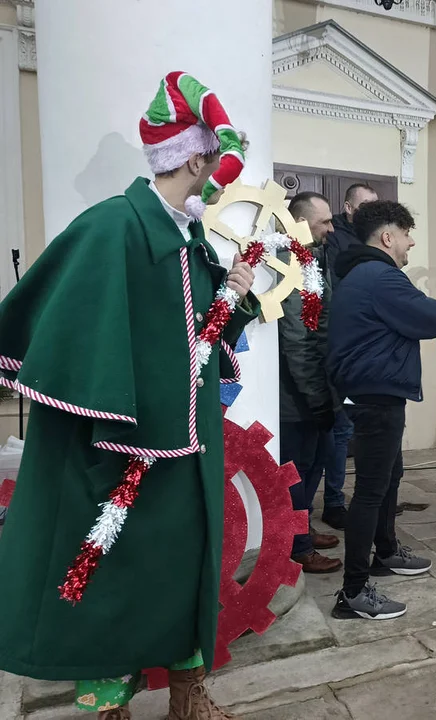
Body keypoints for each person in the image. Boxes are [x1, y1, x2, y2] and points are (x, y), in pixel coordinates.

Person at [0, 71, 256, 719]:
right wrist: (118, 408)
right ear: (195, 157)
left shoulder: (189, 236)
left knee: (183, 570)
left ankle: (189, 696)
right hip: (121, 451)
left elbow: (197, 334)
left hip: (187, 450)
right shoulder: (113, 226)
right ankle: (107, 708)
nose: (220, 176)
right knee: (109, 578)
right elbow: (72, 330)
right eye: (215, 160)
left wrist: (236, 294)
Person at [327, 200, 436, 619]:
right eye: (406, 234)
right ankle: (353, 592)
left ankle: (385, 551)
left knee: (390, 477)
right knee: (370, 491)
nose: (410, 243)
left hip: (377, 394)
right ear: (388, 236)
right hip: (375, 398)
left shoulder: (364, 276)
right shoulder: (381, 277)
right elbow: (435, 317)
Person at [278, 191, 342, 574]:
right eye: (325, 222)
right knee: (296, 470)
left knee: (316, 461)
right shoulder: (288, 263)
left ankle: (303, 529)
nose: (332, 229)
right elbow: (298, 339)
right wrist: (316, 397)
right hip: (296, 395)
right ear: (301, 223)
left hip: (318, 389)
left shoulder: (312, 260)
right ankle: (297, 545)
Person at [327, 182, 379, 289]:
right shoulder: (332, 234)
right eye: (365, 205)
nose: (372, 211)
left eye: (376, 206)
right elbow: (332, 278)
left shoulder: (377, 233)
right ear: (348, 208)